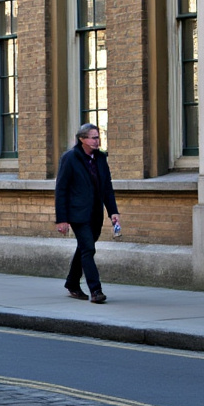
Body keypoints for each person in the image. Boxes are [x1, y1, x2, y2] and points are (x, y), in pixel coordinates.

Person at [54, 123, 120, 304]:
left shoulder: (100, 158)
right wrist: (62, 219)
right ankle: (96, 290)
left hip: (96, 213)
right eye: (93, 137)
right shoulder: (70, 158)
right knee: (88, 248)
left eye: (98, 137)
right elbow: (61, 190)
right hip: (77, 214)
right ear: (82, 139)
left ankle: (72, 283)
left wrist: (113, 211)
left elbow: (107, 187)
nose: (96, 141)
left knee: (85, 248)